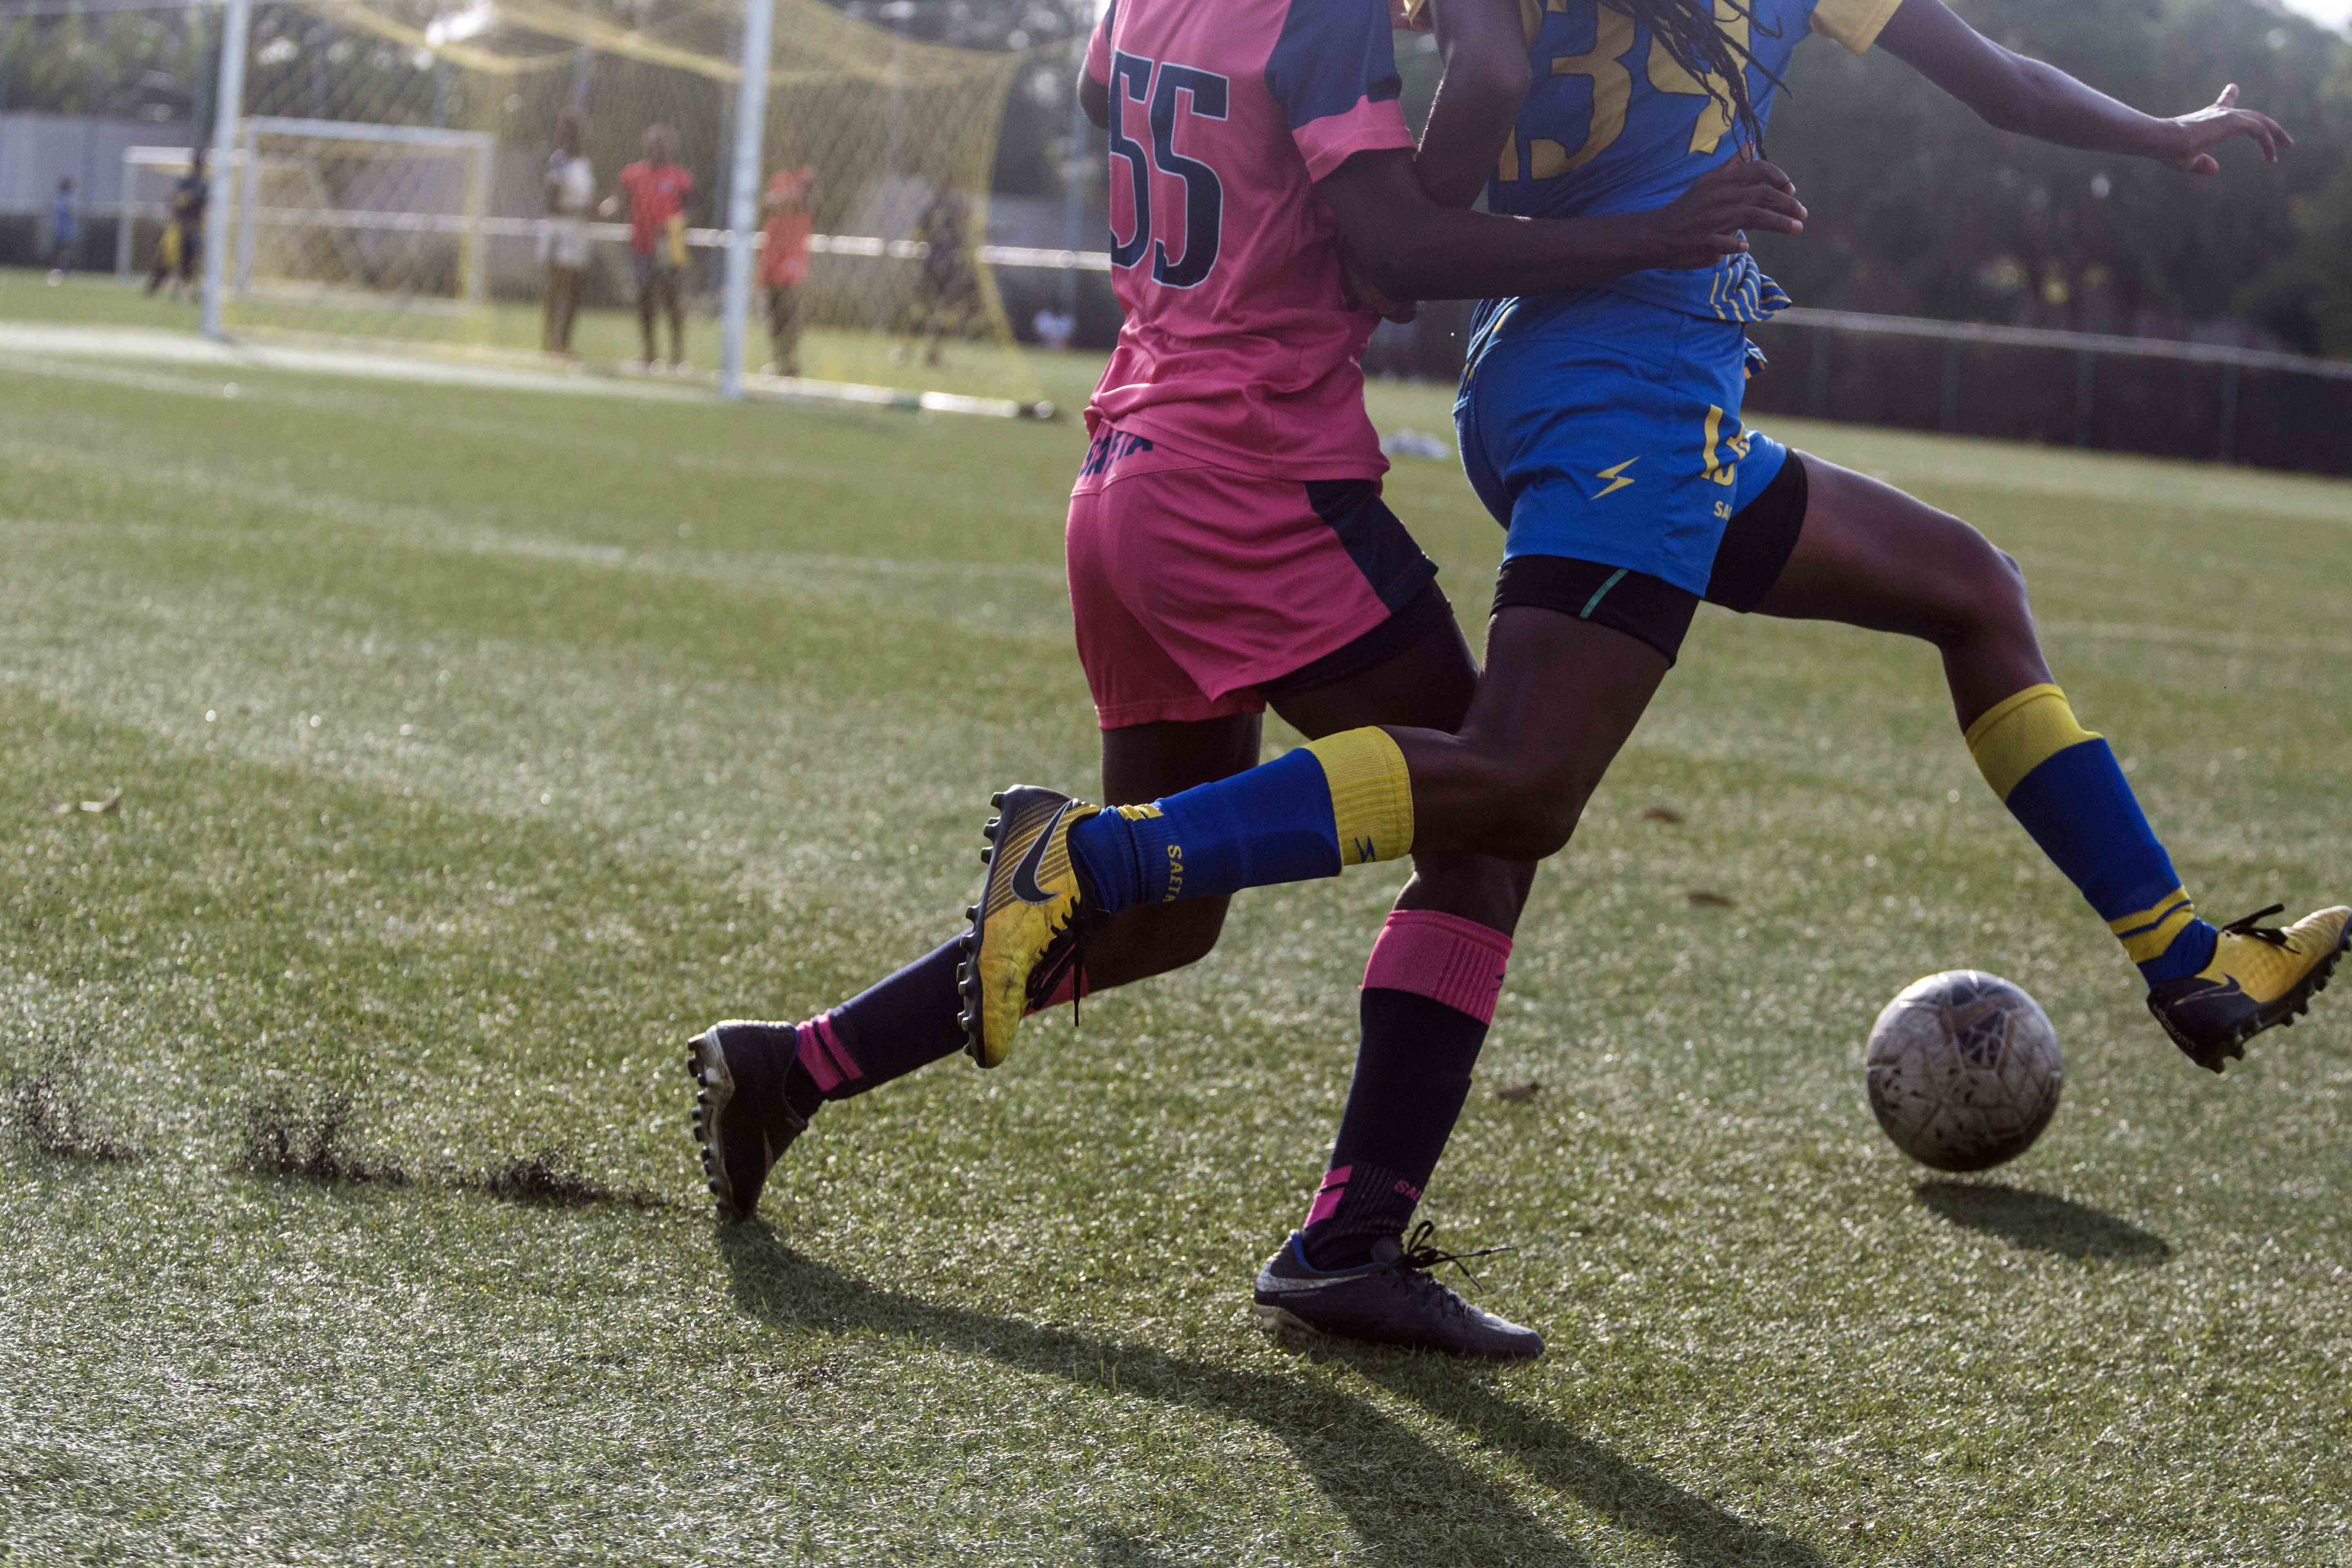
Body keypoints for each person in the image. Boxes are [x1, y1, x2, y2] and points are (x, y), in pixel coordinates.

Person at [956, 0, 2347, 1340]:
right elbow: (1999, 82)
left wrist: (1418, 214)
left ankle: (2187, 957)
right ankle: (1108, 871)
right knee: (1514, 791)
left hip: (1565, 376)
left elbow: (1471, 66)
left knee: (1971, 590)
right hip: (1631, 390)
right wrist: (2160, 132)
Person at [685, 0, 1810, 1359]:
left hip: (1129, 472)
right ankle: (1349, 1243)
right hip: (1253, 479)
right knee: (1493, 813)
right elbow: (1404, 238)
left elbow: (1119, 96)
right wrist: (1652, 230)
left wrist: (1294, 192)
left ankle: (795, 1064)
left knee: (1172, 924)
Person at [609, 125, 693, 371]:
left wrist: (675, 224)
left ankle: (677, 356)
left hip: (671, 244)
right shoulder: (632, 175)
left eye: (661, 145)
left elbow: (693, 209)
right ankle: (649, 354)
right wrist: (609, 207)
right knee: (645, 297)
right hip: (643, 244)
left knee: (672, 298)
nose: (656, 150)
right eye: (652, 145)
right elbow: (620, 201)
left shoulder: (680, 178)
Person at [901, 189, 985, 368]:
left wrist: (915, 254)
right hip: (947, 267)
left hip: (939, 266)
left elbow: (917, 235)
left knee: (930, 311)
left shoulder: (941, 208)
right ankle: (922, 353)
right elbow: (972, 235)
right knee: (935, 312)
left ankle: (918, 352)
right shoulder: (956, 209)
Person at [541, 109, 595, 357]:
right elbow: (552, 203)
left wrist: (594, 209)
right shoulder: (560, 161)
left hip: (579, 232)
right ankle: (549, 342)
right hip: (561, 230)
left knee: (576, 289)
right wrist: (579, 210)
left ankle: (564, 343)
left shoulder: (585, 163)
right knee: (557, 286)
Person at [760, 164, 817, 376]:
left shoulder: (805, 177)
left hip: (793, 255)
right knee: (774, 313)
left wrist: (783, 201)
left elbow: (809, 203)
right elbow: (766, 206)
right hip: (773, 254)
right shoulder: (779, 178)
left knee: (789, 308)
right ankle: (778, 361)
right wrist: (785, 201)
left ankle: (791, 360)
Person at [147, 149, 207, 301]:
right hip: (179, 227)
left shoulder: (204, 186)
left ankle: (190, 291)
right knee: (168, 257)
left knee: (193, 261)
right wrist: (179, 202)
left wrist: (188, 200)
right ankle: (157, 286)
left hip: (195, 229)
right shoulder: (185, 182)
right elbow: (174, 201)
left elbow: (201, 204)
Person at [45, 177, 76, 285]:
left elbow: (50, 211)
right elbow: (70, 214)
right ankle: (63, 272)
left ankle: (58, 272)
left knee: (59, 253)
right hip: (66, 232)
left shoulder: (57, 199)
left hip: (58, 231)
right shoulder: (67, 200)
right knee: (65, 253)